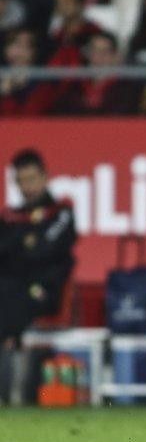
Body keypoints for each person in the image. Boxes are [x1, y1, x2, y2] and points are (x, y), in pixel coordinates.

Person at [0, 149, 76, 404]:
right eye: (22, 180)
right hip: (12, 291)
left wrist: (20, 245)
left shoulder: (61, 212)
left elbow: (46, 250)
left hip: (45, 291)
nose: (27, 186)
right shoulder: (10, 217)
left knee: (8, 294)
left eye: (32, 178)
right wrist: (26, 241)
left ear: (45, 177)